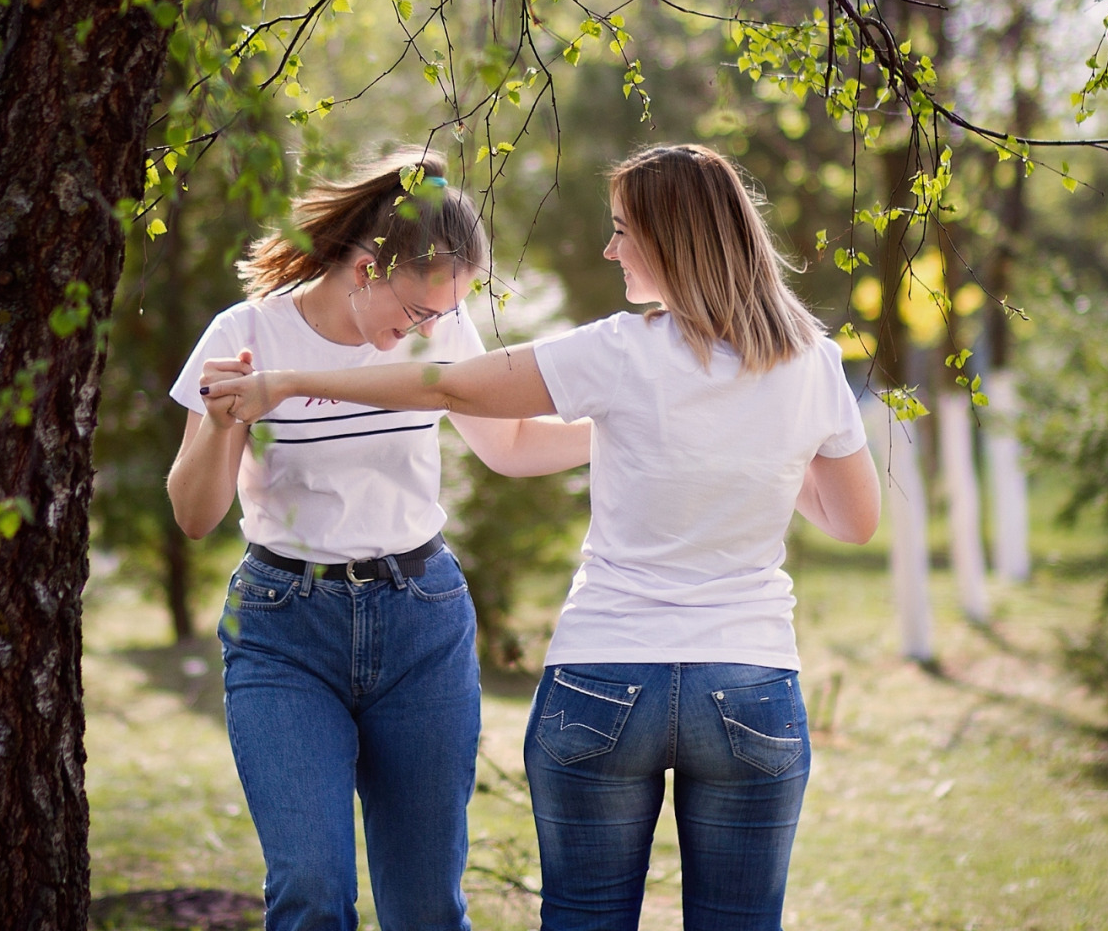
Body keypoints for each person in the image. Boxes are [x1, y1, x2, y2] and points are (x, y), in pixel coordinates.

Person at [211, 143, 882, 930]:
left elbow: (452, 383)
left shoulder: (618, 350)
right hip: (753, 680)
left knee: (584, 917)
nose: (609, 247)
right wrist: (752, 446)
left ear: (671, 242)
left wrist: (290, 380)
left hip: (604, 679)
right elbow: (853, 521)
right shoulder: (812, 361)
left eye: (623, 230)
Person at [166, 148, 590, 931]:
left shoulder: (445, 329)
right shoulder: (248, 332)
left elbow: (512, 447)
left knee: (427, 906)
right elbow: (195, 514)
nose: (429, 330)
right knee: (312, 892)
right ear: (366, 267)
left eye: (444, 315)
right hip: (284, 629)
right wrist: (224, 424)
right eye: (419, 312)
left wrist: (632, 422)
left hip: (420, 620)